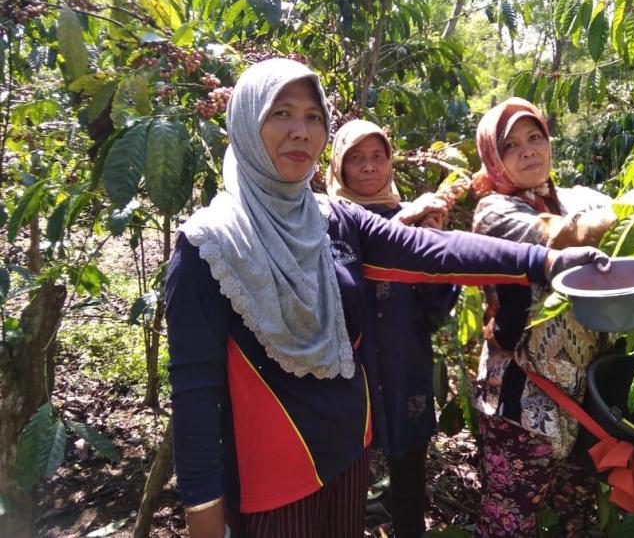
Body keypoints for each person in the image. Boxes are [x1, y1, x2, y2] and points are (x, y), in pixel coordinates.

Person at [165, 59, 609, 538]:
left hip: (347, 458)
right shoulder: (208, 246)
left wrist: (543, 262)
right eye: (281, 114)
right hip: (270, 483)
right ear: (247, 124)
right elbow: (195, 395)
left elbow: (430, 250)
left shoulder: (329, 218)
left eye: (314, 117)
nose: (301, 131)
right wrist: (203, 511)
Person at [470, 97, 617, 538]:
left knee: (575, 515)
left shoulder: (576, 198)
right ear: (494, 159)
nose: (529, 151)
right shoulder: (495, 212)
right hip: (521, 399)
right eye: (512, 145)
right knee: (510, 520)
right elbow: (560, 237)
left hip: (585, 395)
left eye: (535, 138)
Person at [326, 119, 457, 538]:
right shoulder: (324, 221)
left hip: (404, 366)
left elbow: (438, 308)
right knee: (343, 476)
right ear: (339, 167)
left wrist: (435, 245)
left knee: (408, 479)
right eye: (356, 158)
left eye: (377, 157)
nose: (368, 167)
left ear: (389, 164)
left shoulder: (415, 219)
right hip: (347, 370)